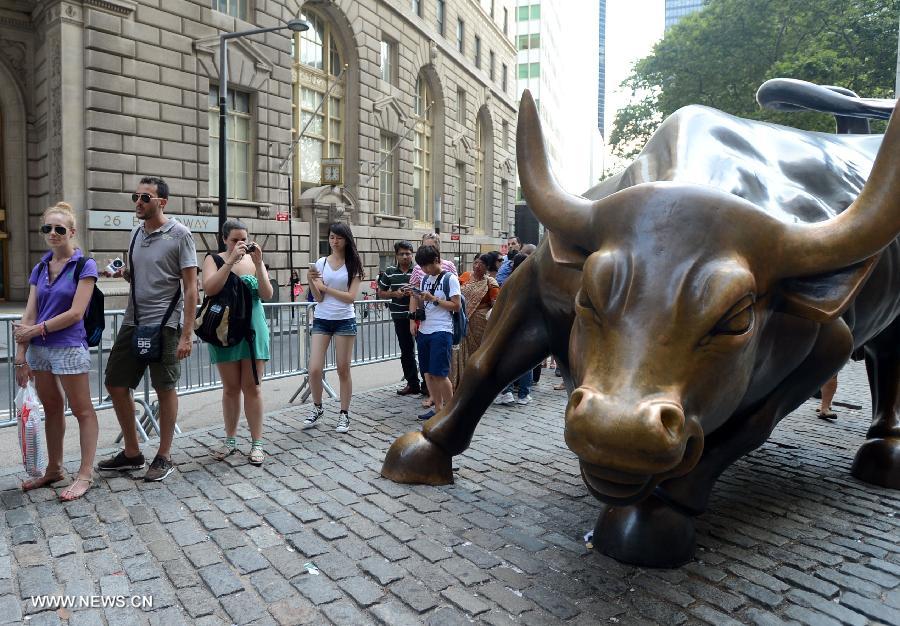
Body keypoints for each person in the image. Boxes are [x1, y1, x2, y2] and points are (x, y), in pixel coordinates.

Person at [97, 176, 198, 482]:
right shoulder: (135, 234)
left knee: (164, 387)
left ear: (161, 202)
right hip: (134, 321)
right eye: (135, 197)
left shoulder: (180, 235)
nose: (138, 203)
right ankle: (132, 453)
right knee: (115, 382)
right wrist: (124, 274)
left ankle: (164, 455)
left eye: (145, 197)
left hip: (166, 324)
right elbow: (142, 278)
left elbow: (191, 289)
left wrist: (186, 334)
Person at [13, 202, 100, 501]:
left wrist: (34, 331)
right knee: (51, 409)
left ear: (71, 232)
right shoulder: (40, 267)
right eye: (47, 228)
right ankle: (54, 469)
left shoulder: (84, 265)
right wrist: (20, 356)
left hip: (69, 347)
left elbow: (76, 313)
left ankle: (85, 474)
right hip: (40, 351)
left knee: (82, 410)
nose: (52, 233)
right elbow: (29, 313)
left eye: (59, 229)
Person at [203, 220, 273, 464]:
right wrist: (230, 261)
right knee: (231, 388)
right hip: (224, 328)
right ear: (224, 239)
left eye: (243, 238)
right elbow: (210, 288)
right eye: (234, 239)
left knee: (252, 387)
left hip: (253, 327)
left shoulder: (254, 261)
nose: (240, 243)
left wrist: (258, 263)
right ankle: (230, 440)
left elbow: (267, 294)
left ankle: (257, 443)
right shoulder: (214, 259)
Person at [304, 222, 363, 433]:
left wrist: (325, 287)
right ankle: (317, 407)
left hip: (344, 320)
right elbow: (318, 297)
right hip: (322, 318)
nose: (334, 241)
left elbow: (350, 298)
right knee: (314, 368)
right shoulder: (320, 263)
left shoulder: (353, 264)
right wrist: (311, 282)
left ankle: (344, 413)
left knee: (342, 368)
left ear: (346, 239)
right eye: (331, 237)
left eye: (338, 237)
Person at [408, 245, 461, 420]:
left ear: (437, 260)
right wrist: (416, 296)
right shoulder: (425, 279)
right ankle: (438, 409)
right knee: (428, 373)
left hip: (442, 329)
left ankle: (451, 411)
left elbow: (456, 305)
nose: (424, 270)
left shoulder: (450, 279)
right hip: (425, 329)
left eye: (427, 266)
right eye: (422, 267)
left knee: (440, 373)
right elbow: (425, 305)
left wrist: (434, 299)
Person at [496, 246, 540, 404]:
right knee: (525, 361)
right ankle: (523, 394)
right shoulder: (534, 282)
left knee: (507, 359)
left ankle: (507, 391)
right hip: (527, 325)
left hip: (509, 323)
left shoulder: (509, 281)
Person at [449, 254, 500, 388]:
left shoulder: (490, 282)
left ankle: (478, 384)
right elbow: (454, 293)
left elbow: (496, 304)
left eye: (481, 264)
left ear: (487, 267)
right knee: (460, 351)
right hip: (462, 320)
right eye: (475, 262)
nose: (477, 266)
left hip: (480, 323)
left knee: (478, 352)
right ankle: (459, 382)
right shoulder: (465, 276)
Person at [377, 241, 420, 396]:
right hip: (400, 316)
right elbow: (381, 292)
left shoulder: (418, 270)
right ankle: (413, 383)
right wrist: (395, 294)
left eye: (408, 253)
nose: (405, 256)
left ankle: (428, 386)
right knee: (406, 350)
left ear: (412, 254)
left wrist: (414, 293)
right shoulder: (389, 272)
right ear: (396, 255)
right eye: (401, 254)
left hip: (418, 315)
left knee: (423, 350)